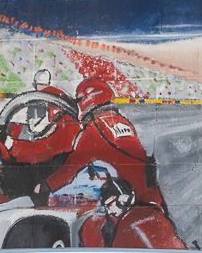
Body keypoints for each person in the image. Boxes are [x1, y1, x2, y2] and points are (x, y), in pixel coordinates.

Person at [70, 74, 169, 216]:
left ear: (87, 100)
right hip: (150, 197)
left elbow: (72, 165)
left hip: (127, 202)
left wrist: (47, 185)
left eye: (79, 100)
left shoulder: (94, 128)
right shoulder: (123, 122)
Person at [78, 161, 185, 251]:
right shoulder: (104, 226)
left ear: (125, 198)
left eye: (110, 204)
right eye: (106, 207)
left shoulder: (138, 220)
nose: (110, 211)